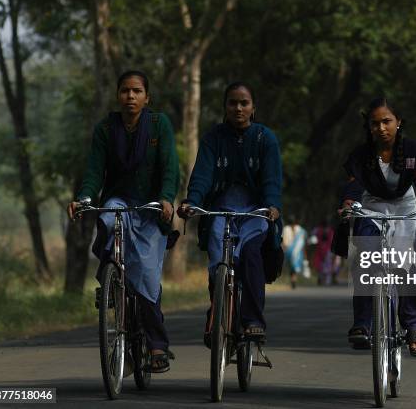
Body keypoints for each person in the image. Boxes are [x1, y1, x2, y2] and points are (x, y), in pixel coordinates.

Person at [67, 70, 179, 373]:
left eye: (137, 91)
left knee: (146, 276)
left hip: (151, 207)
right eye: (125, 91)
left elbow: (170, 167)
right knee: (105, 219)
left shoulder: (159, 125)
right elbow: (94, 171)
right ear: (118, 95)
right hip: (118, 200)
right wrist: (84, 198)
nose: (131, 96)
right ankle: (109, 279)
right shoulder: (106, 128)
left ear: (147, 97)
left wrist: (167, 198)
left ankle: (157, 345)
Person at [333, 97, 416, 356]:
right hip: (371, 209)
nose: (381, 128)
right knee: (365, 259)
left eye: (387, 121)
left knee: (408, 267)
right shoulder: (360, 155)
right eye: (375, 123)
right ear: (369, 127)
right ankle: (363, 323)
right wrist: (348, 204)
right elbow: (353, 185)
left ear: (398, 123)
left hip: (406, 209)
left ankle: (414, 326)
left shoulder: (413, 151)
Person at [177, 81, 282, 342]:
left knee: (251, 255)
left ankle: (253, 320)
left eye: (244, 103)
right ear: (225, 107)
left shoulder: (265, 138)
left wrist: (272, 205)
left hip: (255, 212)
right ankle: (218, 312)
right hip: (220, 210)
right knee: (217, 261)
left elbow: (272, 178)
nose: (238, 107)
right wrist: (192, 201)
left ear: (253, 107)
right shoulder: (214, 138)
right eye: (232, 103)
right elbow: (201, 175)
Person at [282, 216, 308, 289]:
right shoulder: (300, 229)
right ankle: (294, 279)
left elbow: (283, 242)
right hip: (297, 252)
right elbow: (303, 242)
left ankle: (292, 279)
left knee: (291, 267)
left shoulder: (285, 229)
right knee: (294, 266)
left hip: (288, 251)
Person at [311, 220, 335, 285]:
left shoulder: (318, 230)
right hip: (328, 250)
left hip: (320, 250)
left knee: (320, 265)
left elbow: (313, 236)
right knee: (327, 265)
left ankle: (321, 278)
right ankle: (327, 280)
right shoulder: (330, 231)